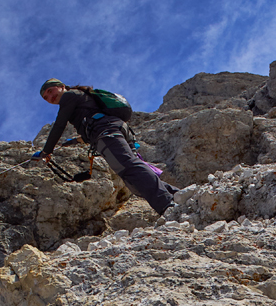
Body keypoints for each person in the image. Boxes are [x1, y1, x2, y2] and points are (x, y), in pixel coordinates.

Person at [34, 79, 176, 215]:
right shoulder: (80, 96)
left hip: (105, 131)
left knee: (129, 168)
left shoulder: (68, 95)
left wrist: (46, 151)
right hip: (115, 128)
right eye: (46, 97)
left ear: (62, 86)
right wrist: (74, 141)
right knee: (131, 168)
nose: (51, 97)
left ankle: (166, 204)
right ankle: (175, 195)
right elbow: (91, 120)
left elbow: (59, 125)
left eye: (51, 91)